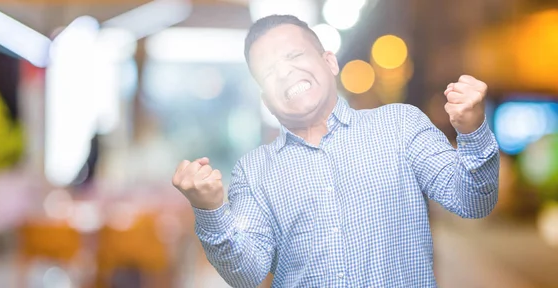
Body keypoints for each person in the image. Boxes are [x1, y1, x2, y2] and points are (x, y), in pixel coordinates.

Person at [172, 15, 500, 287]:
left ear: (329, 62)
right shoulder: (253, 171)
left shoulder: (401, 125)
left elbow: (473, 202)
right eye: (269, 70)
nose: (284, 72)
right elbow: (246, 274)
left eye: (294, 56)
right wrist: (210, 210)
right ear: (265, 100)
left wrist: (472, 130)